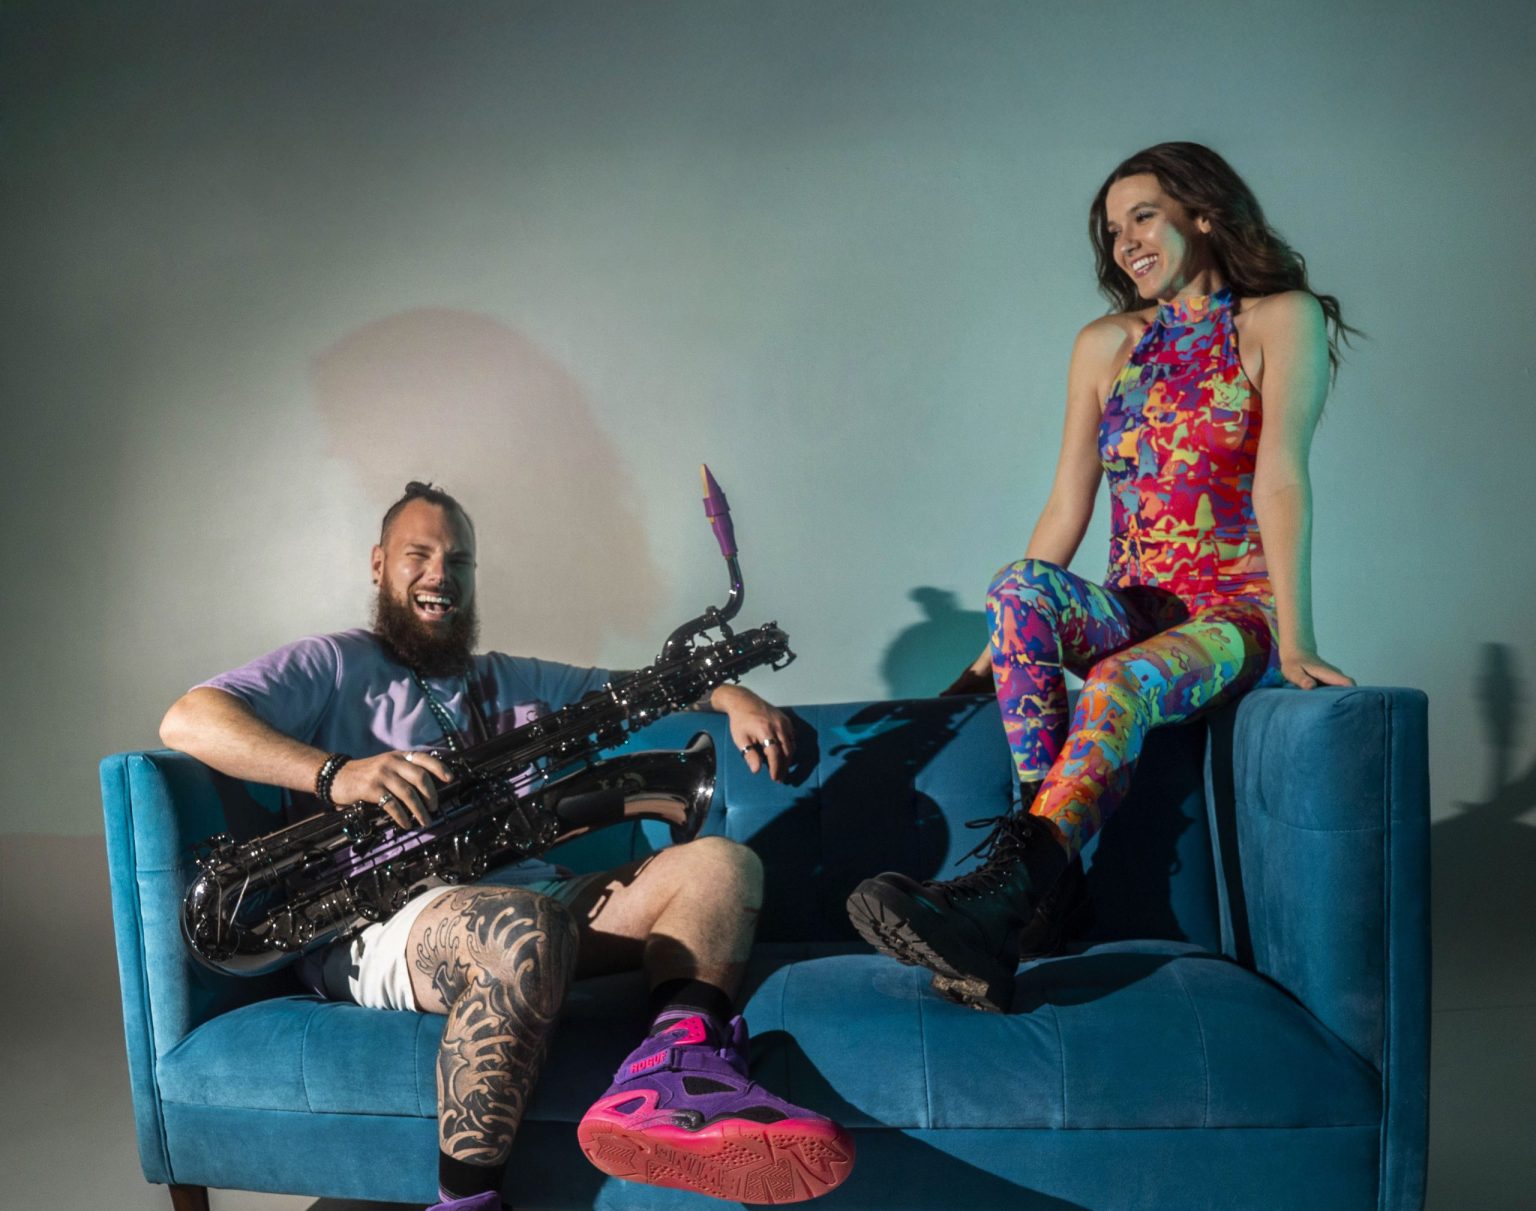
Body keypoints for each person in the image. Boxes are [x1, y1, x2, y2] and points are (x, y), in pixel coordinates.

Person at [160, 481, 854, 1210]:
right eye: (418, 554)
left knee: (721, 866)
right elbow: (189, 718)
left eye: (458, 560)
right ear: (379, 564)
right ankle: (466, 1202)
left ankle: (673, 1078)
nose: (440, 574)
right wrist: (339, 774)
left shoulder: (506, 677)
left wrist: (730, 694)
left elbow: (636, 689)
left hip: (531, 898)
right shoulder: (333, 662)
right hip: (379, 921)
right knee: (524, 928)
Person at [847, 141, 1358, 1013]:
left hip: (1235, 616)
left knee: (1117, 681)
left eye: (1143, 217)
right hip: (1136, 605)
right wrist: (993, 653)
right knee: (1017, 584)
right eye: (1113, 230)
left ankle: (1007, 899)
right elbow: (1065, 509)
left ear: (1204, 214)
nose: (1125, 243)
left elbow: (1281, 477)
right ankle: (1044, 889)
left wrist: (1299, 638)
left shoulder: (1280, 319)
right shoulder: (1106, 344)